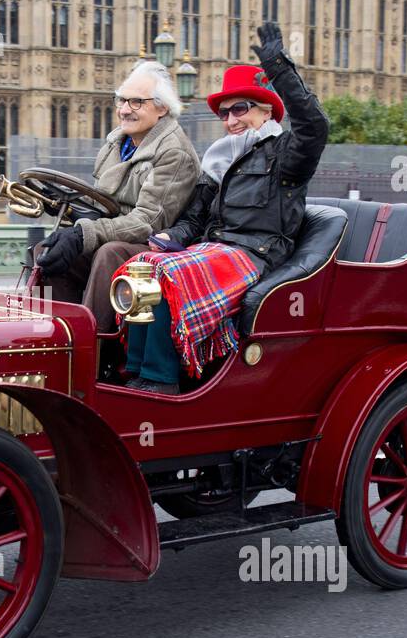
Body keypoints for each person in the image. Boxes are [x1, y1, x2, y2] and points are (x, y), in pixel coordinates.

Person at [115, 22, 330, 394]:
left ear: (266, 113)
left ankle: (161, 380)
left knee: (167, 277)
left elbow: (315, 126)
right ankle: (136, 370)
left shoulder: (285, 155)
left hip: (255, 255)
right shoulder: (218, 160)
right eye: (225, 113)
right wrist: (171, 236)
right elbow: (195, 217)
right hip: (216, 249)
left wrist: (278, 66)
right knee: (141, 267)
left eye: (241, 109)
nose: (231, 120)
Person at [34, 60, 201, 333]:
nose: (124, 110)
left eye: (136, 102)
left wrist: (82, 235)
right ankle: (55, 334)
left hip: (160, 247)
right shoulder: (118, 141)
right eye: (121, 101)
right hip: (120, 233)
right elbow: (102, 202)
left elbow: (147, 222)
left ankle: (94, 345)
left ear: (162, 108)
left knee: (108, 254)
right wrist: (64, 207)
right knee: (47, 250)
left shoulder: (174, 152)